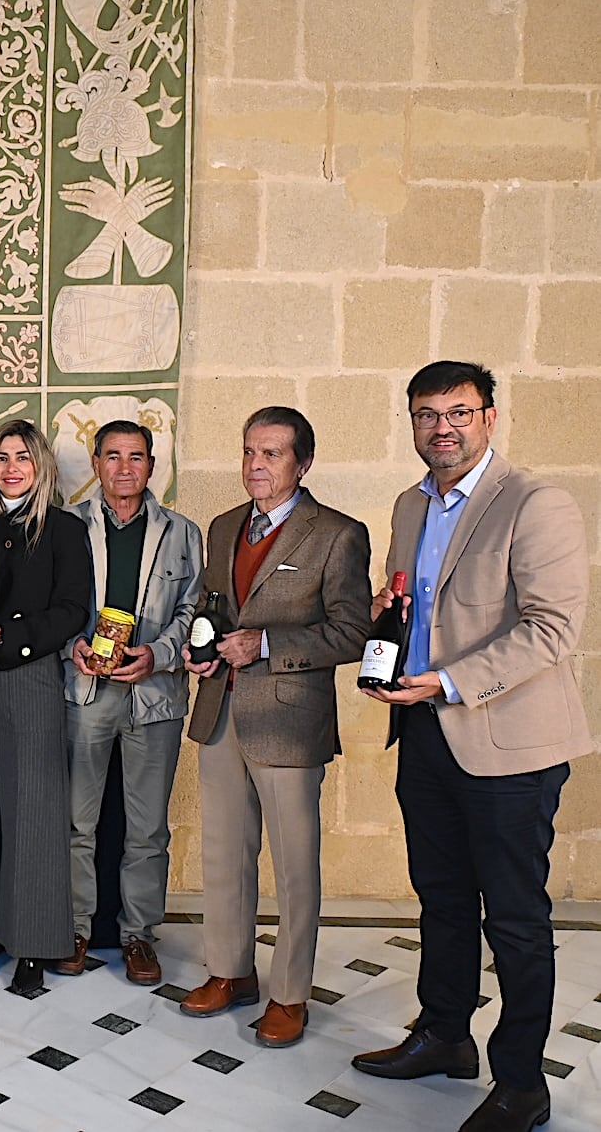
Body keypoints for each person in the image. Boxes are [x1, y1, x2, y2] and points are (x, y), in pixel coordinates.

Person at [350, 363, 591, 1132]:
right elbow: (416, 607)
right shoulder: (408, 504)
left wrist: (445, 680)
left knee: (516, 918)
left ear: (490, 417)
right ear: (412, 423)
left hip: (507, 744)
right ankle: (445, 1034)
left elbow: (552, 628)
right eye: (427, 414)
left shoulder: (535, 502)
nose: (442, 427)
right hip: (422, 731)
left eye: (459, 411)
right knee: (443, 897)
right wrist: (386, 624)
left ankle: (523, 1082)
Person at [180, 406, 370, 1049]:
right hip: (219, 709)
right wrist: (197, 645)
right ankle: (229, 971)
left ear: (302, 464)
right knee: (225, 855)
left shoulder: (338, 534)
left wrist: (264, 645)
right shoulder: (223, 526)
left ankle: (290, 994)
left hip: (288, 722)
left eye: (271, 455)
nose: (255, 466)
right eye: (248, 452)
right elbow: (212, 606)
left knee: (294, 867)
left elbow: (351, 632)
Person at [0, 419, 91, 994]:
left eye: (22, 458)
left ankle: (31, 943)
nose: (11, 468)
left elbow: (72, 610)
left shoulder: (61, 529)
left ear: (41, 468)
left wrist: (12, 637)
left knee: (33, 807)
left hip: (30, 675)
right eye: (2, 457)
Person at [56, 420, 203, 985]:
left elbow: (193, 612)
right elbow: (58, 603)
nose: (124, 468)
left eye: (136, 457)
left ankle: (139, 934)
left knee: (147, 827)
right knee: (77, 820)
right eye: (112, 456)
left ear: (151, 465)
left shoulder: (182, 533)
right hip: (86, 691)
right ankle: (74, 928)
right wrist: (73, 646)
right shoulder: (69, 528)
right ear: (96, 463)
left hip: (154, 697)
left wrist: (160, 654)